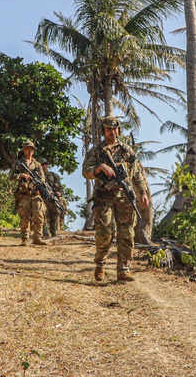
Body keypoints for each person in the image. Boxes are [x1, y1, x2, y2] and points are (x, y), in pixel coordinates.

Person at [82, 116, 150, 282]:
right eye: (108, 129)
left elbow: (137, 173)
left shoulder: (126, 150)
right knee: (105, 232)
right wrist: (98, 168)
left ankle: (124, 270)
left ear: (118, 130)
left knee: (127, 233)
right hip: (104, 197)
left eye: (115, 129)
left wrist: (142, 192)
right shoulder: (97, 150)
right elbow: (85, 171)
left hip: (124, 198)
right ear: (103, 131)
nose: (112, 132)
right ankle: (100, 264)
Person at [10, 140, 47, 246]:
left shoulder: (37, 164)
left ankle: (37, 238)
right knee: (25, 216)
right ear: (24, 150)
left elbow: (43, 179)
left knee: (39, 214)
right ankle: (25, 239)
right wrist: (21, 176)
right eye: (28, 148)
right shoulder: (18, 163)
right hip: (24, 194)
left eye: (32, 149)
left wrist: (37, 182)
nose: (30, 151)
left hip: (35, 193)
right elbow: (11, 176)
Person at [41, 162, 66, 238]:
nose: (43, 166)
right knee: (44, 215)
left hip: (51, 198)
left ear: (47, 165)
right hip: (42, 197)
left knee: (53, 216)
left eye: (44, 164)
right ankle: (45, 233)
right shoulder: (38, 175)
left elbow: (60, 187)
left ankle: (53, 233)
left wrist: (59, 193)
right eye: (41, 164)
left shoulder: (53, 175)